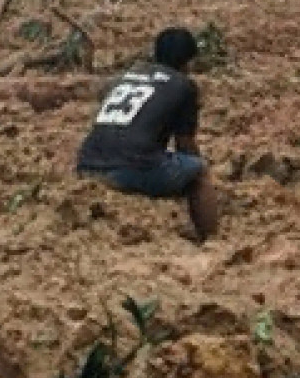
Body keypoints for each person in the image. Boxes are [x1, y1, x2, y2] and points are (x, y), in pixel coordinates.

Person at [75, 27, 219, 243]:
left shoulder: (126, 76)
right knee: (198, 171)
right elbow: (185, 144)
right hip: (130, 169)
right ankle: (211, 239)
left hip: (86, 163)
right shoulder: (183, 85)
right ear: (189, 62)